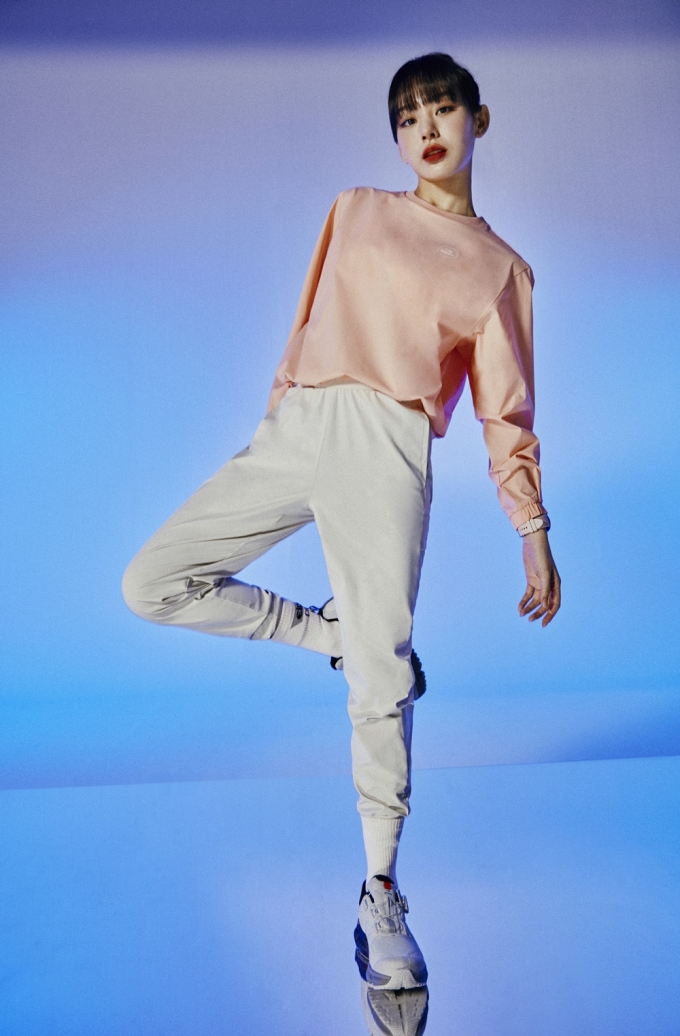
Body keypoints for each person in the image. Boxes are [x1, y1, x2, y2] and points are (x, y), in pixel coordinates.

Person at [122, 52, 561, 991]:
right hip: (302, 423)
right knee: (152, 582)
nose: (426, 128)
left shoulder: (500, 270)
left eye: (443, 108)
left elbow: (506, 412)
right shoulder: (355, 208)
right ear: (395, 137)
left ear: (480, 119)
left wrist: (532, 528)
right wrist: (278, 414)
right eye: (407, 116)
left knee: (381, 678)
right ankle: (328, 632)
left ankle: (380, 893)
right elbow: (305, 321)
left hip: (388, 446)